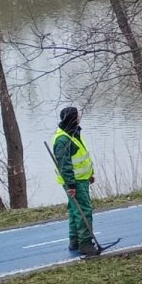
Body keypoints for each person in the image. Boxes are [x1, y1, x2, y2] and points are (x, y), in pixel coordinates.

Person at [53, 106, 99, 256]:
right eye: (77, 116)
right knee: (84, 211)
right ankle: (85, 244)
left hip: (81, 179)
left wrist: (90, 174)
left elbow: (81, 156)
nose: (79, 118)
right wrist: (71, 185)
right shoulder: (62, 140)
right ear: (72, 118)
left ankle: (75, 241)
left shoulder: (74, 133)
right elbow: (64, 165)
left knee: (75, 210)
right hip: (74, 181)